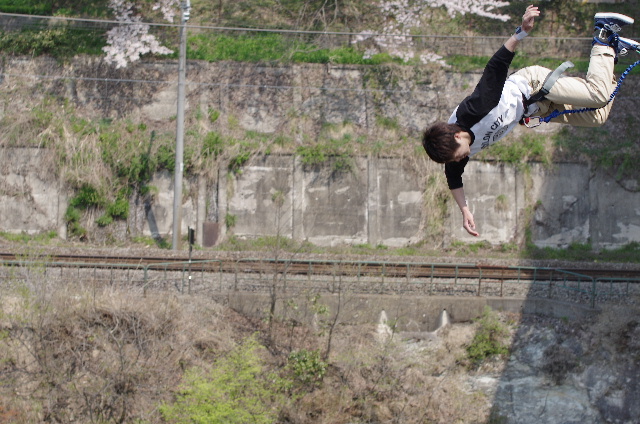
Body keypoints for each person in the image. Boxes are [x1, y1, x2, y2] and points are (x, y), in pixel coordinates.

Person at [422, 5, 638, 237]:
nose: (463, 158)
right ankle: (613, 53)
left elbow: (495, 67)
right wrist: (465, 211)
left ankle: (603, 34)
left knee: (598, 95)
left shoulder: (474, 110)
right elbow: (452, 176)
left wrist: (521, 32)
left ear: (457, 135)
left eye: (460, 154)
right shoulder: (453, 150)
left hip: (533, 83)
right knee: (597, 116)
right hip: (537, 108)